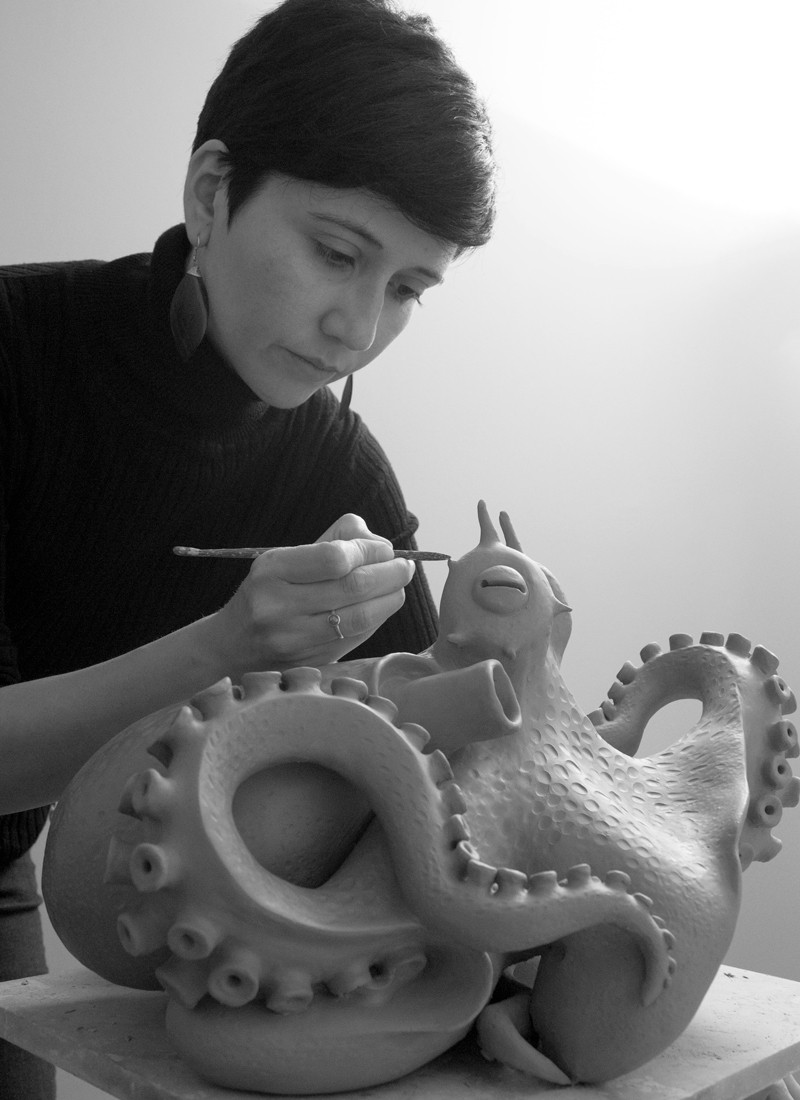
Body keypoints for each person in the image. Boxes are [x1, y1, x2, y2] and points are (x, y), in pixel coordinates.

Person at [0, 0, 495, 1093]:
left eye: (407, 287)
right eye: (335, 253)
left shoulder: (339, 470)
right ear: (210, 190)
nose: (357, 328)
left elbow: (446, 763)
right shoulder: (18, 352)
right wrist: (221, 644)